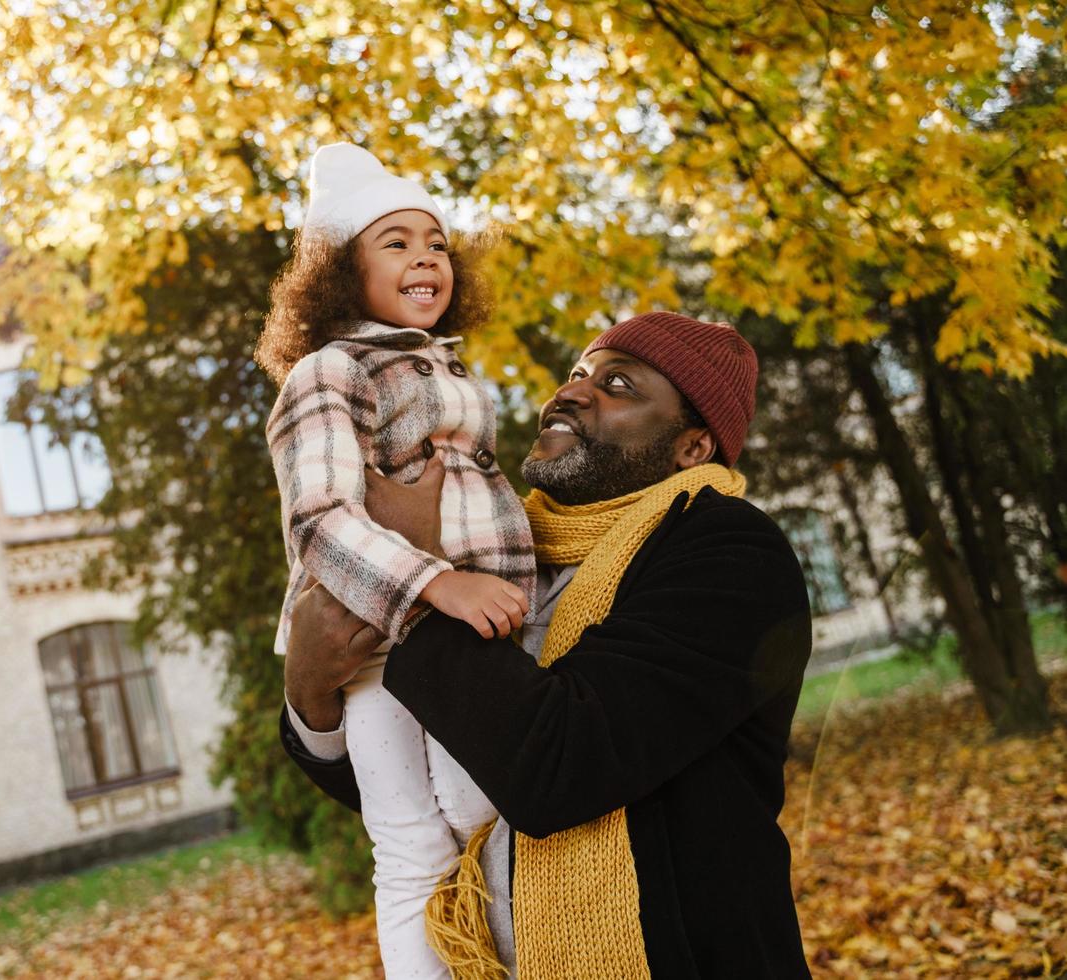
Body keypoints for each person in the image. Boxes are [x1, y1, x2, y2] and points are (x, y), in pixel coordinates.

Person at [282, 312, 815, 978]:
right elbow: (428, 780)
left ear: (693, 448)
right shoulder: (503, 554)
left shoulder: (728, 553)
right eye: (577, 373)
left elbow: (559, 765)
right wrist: (310, 690)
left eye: (618, 384)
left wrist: (416, 576)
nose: (571, 392)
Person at [258, 143, 536, 977]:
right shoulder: (328, 370)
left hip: (471, 635)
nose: (425, 256)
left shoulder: (446, 366)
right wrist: (436, 581)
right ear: (343, 270)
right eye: (395, 241)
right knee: (413, 841)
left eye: (437, 241)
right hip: (376, 640)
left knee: (480, 811)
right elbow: (317, 515)